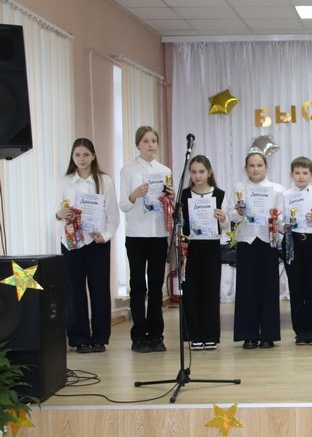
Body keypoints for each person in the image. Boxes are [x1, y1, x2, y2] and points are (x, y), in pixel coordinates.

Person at [56, 138, 120, 353]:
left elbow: (113, 215)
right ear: (72, 157)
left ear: (93, 156)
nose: (81, 159)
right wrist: (59, 214)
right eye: (77, 155)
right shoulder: (64, 182)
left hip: (97, 242)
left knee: (99, 290)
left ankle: (100, 337)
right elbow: (55, 210)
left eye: (86, 154)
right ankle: (79, 339)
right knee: (74, 291)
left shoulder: (104, 181)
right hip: (71, 242)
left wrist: (105, 235)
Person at [118, 126, 173, 353]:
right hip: (136, 235)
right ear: (138, 144)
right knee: (138, 286)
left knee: (157, 287)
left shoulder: (164, 170)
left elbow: (170, 207)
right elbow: (123, 204)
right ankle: (139, 336)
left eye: (154, 141)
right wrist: (134, 195)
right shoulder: (128, 171)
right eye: (146, 141)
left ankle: (157, 335)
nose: (150, 145)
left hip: (158, 234)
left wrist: (170, 197)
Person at [229, 147, 285, 349]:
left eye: (259, 165)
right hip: (246, 241)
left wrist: (275, 218)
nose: (255, 169)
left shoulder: (277, 189)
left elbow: (282, 219)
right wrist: (239, 212)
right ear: (246, 168)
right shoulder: (239, 188)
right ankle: (248, 334)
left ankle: (268, 334)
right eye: (251, 166)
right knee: (246, 289)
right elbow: (231, 216)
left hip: (268, 241)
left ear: (266, 167)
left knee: (269, 289)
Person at [179, 155, 229, 351]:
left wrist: (223, 218)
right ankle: (195, 335)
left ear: (209, 172)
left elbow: (226, 226)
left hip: (211, 247)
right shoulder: (183, 195)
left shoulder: (219, 194)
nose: (197, 176)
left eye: (201, 171)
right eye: (193, 172)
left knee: (210, 291)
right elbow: (179, 223)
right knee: (191, 291)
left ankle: (210, 335)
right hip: (190, 248)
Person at [278, 156, 312, 346]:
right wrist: (284, 224)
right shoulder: (285, 195)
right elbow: (278, 220)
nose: (301, 176)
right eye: (297, 173)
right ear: (291, 174)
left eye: (305, 173)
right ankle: (300, 331)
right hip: (292, 241)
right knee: (296, 288)